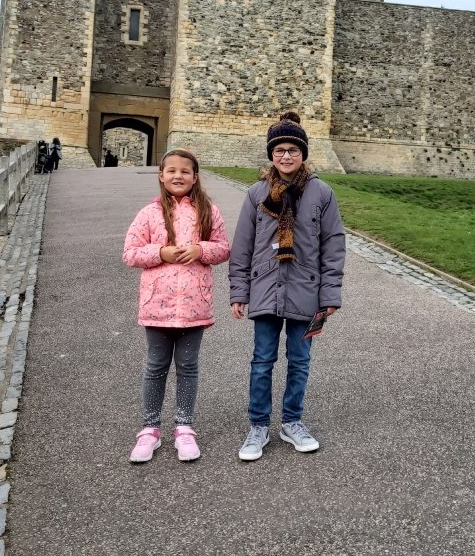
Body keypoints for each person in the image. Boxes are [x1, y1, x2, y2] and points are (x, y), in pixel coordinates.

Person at [229, 111, 346, 460]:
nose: (286, 156)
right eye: (279, 150)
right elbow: (242, 246)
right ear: (271, 155)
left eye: (292, 150)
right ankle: (258, 426)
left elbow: (333, 245)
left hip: (306, 290)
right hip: (265, 287)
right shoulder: (256, 194)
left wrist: (330, 296)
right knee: (262, 360)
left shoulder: (322, 193)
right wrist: (239, 292)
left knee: (300, 360)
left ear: (303, 153)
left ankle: (292, 421)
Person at [122, 148, 230, 463]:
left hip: (195, 305)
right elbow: (130, 253)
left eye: (185, 171)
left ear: (195, 177)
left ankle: (184, 427)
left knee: (188, 367)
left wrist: (200, 249)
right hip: (157, 305)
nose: (178, 176)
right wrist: (160, 253)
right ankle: (150, 429)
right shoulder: (149, 213)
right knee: (155, 367)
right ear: (161, 175)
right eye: (171, 170)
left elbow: (223, 248)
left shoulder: (208, 210)